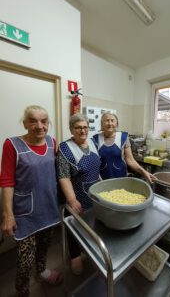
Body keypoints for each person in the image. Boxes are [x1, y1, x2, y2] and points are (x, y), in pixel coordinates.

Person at [0, 105, 63, 297]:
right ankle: (22, 290)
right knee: (24, 258)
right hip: (25, 212)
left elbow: (60, 173)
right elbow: (7, 180)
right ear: (25, 123)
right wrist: (8, 214)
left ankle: (42, 271)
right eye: (33, 121)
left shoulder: (53, 143)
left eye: (44, 121)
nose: (39, 125)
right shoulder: (12, 145)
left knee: (44, 246)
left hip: (49, 206)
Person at [56, 113, 101, 275]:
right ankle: (75, 256)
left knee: (91, 226)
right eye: (78, 128)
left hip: (95, 195)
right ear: (71, 130)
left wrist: (102, 186)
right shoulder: (65, 148)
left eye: (85, 127)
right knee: (74, 228)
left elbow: (96, 168)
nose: (82, 131)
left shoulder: (92, 142)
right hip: (77, 197)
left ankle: (88, 251)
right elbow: (63, 177)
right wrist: (72, 200)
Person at [93, 112, 156, 183]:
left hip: (121, 177)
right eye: (107, 120)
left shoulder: (123, 137)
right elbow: (94, 164)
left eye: (112, 120)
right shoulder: (95, 139)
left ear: (116, 123)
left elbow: (130, 161)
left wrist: (144, 172)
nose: (110, 123)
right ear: (102, 123)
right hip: (102, 179)